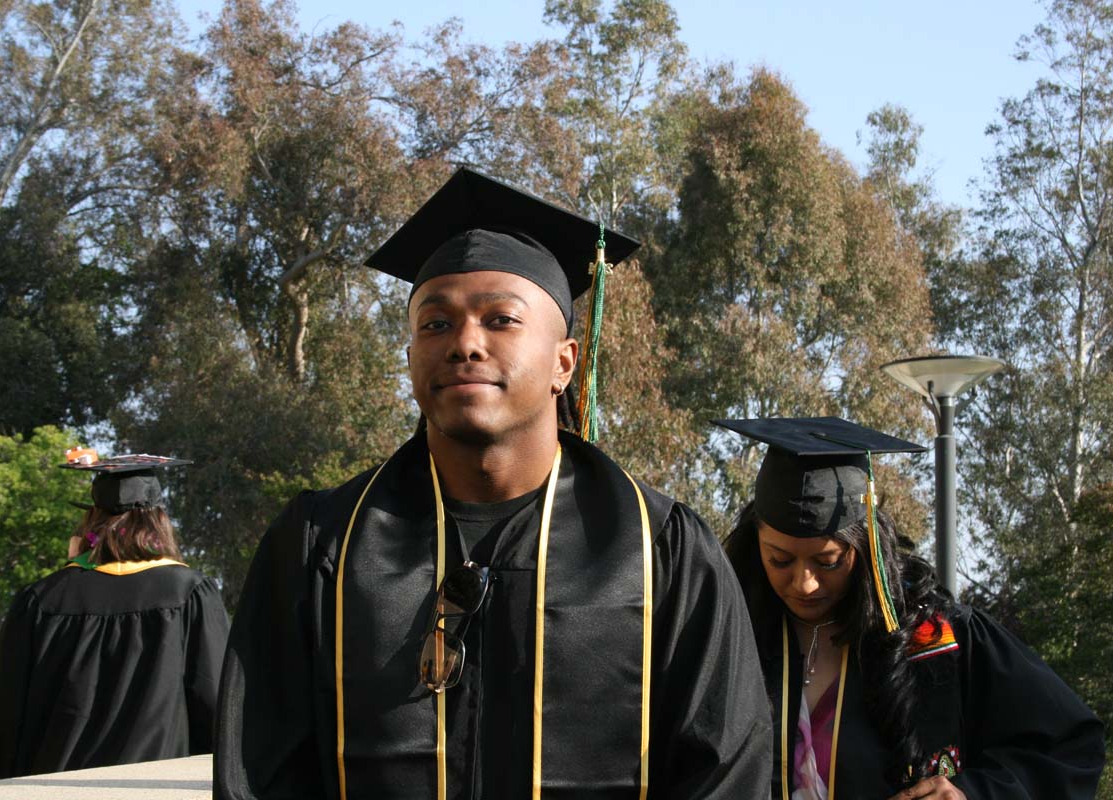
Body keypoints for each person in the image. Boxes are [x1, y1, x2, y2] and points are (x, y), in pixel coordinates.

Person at [216, 168, 772, 799]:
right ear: (410, 359)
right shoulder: (321, 546)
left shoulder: (659, 549)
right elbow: (260, 773)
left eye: (501, 319)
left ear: (565, 362)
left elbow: (725, 774)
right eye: (435, 324)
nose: (465, 344)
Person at [717, 416, 1105, 800]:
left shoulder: (940, 639)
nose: (805, 583)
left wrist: (972, 794)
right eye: (780, 560)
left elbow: (1068, 746)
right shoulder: (727, 641)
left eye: (828, 561)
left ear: (866, 547)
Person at [0, 453, 230, 778]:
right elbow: (218, 705)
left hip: (56, 785)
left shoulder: (43, 598)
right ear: (159, 521)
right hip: (155, 781)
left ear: (92, 520)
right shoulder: (189, 593)